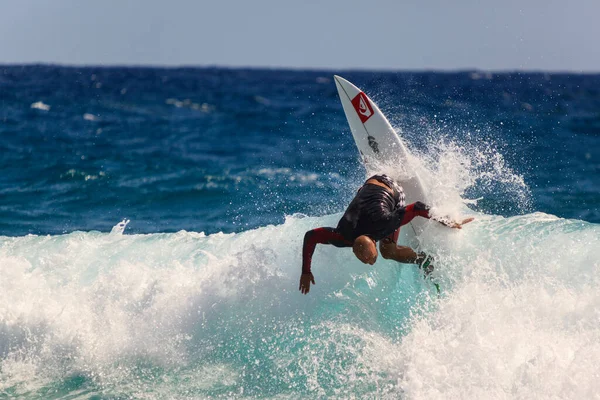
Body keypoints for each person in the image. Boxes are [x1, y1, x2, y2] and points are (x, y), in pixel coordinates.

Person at [299, 174, 473, 294]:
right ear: (351, 248)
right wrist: (306, 271)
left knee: (388, 251)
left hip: (393, 188)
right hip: (368, 184)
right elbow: (310, 236)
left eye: (369, 258)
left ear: (374, 243)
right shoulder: (342, 236)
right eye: (365, 260)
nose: (369, 263)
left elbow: (417, 207)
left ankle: (423, 259)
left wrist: (446, 220)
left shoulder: (384, 224)